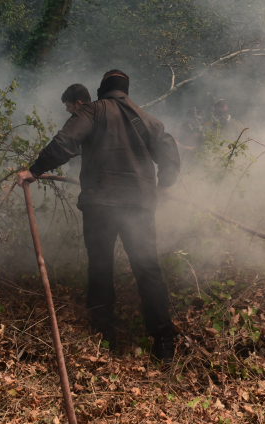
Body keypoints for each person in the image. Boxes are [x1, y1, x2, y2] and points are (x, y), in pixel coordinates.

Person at [16, 70, 181, 362]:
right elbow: (169, 153)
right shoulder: (148, 119)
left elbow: (65, 142)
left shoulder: (92, 111)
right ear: (126, 91)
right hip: (139, 205)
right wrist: (165, 184)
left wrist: (34, 170)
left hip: (101, 204)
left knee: (100, 267)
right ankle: (164, 342)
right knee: (148, 270)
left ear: (102, 89)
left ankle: (105, 336)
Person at [60, 83, 91, 176]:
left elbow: (62, 146)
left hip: (88, 176)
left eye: (68, 106)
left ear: (78, 104)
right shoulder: (103, 115)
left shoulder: (74, 124)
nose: (67, 109)